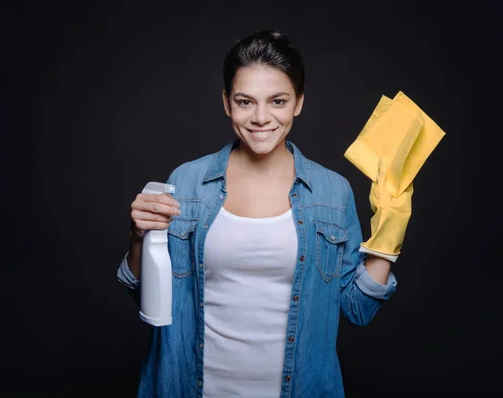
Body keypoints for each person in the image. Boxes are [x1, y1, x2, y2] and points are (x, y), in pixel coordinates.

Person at [117, 29, 403, 398]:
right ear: (226, 103)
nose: (261, 117)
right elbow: (146, 297)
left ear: (298, 102)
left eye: (278, 101)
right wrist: (138, 237)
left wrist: (391, 232)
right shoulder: (185, 182)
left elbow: (357, 308)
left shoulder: (333, 192)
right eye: (245, 101)